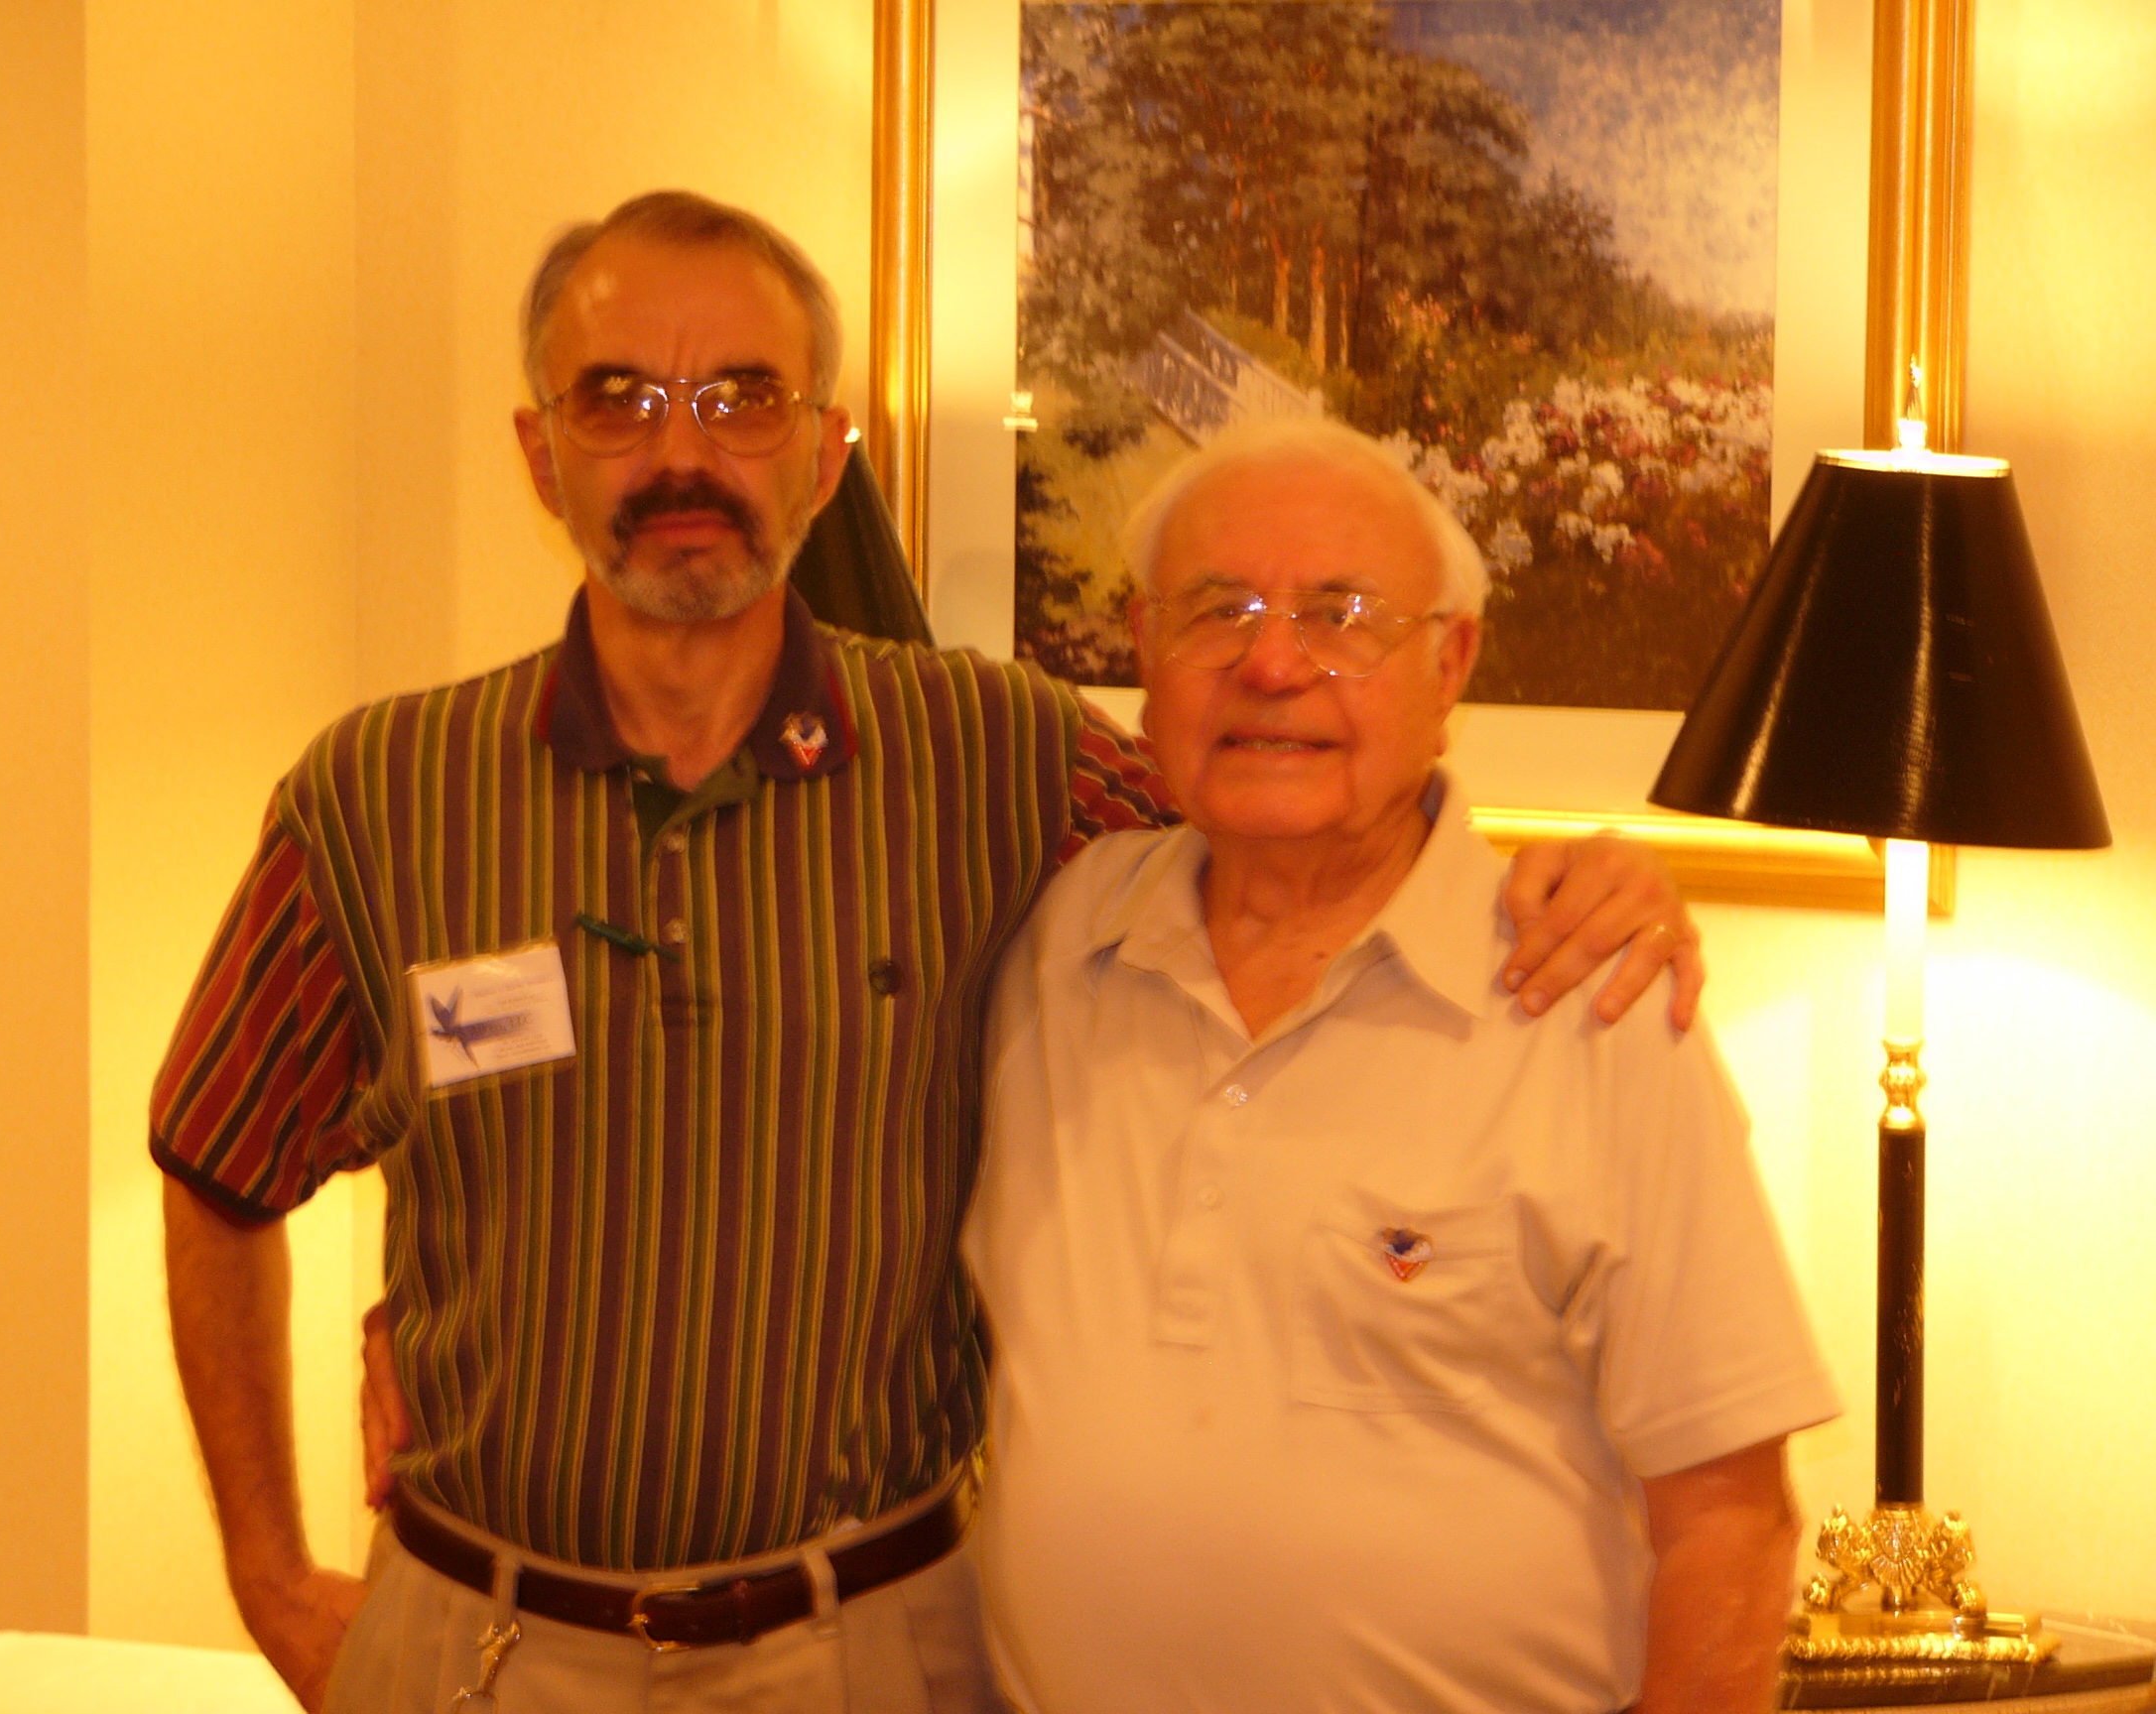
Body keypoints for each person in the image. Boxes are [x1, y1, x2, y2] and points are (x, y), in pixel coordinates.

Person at [153, 190, 1702, 1714]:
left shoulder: (995, 759)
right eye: (619, 400)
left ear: (825, 453)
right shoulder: (380, 793)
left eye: (743, 399)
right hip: (476, 1653)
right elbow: (217, 1166)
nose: (684, 453)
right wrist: (272, 1575)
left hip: (870, 1652)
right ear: (538, 451)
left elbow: (1289, 825)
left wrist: (1553, 882)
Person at [965, 419, 1840, 1714]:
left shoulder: (1590, 999)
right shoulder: (1051, 940)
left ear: (1452, 665)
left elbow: (1731, 1520)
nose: (1274, 665)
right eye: (1219, 612)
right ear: (1143, 648)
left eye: (1344, 617)